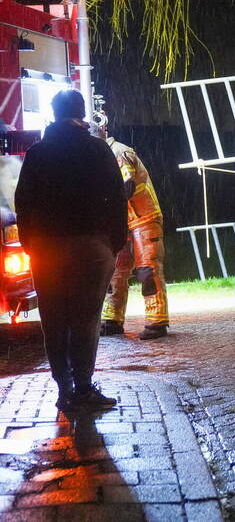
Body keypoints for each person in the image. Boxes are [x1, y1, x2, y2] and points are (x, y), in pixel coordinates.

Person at [15, 90, 127, 411]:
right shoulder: (97, 150)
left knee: (53, 317)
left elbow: (24, 202)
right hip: (91, 247)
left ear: (53, 114)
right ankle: (83, 387)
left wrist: (31, 244)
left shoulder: (37, 153)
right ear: (81, 114)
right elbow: (117, 199)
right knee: (85, 317)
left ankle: (63, 387)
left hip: (46, 249)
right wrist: (112, 243)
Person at [94, 124, 169, 340]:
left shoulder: (117, 153)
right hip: (125, 219)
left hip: (144, 219)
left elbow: (125, 187)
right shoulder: (104, 154)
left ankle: (156, 322)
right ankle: (112, 320)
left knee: (147, 269)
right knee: (116, 270)